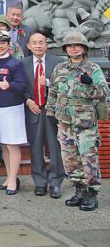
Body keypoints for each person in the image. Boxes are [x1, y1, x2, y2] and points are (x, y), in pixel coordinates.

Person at [46, 30, 109, 211]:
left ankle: (92, 192)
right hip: (65, 120)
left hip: (85, 121)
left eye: (77, 45)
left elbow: (104, 93)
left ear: (84, 48)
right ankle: (79, 189)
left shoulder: (92, 69)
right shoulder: (60, 68)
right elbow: (54, 92)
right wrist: (51, 112)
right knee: (69, 157)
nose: (73, 49)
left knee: (88, 156)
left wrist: (90, 84)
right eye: (70, 46)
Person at [23, 33, 64, 199]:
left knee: (55, 147)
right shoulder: (23, 64)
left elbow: (63, 84)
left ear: (47, 45)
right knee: (35, 148)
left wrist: (48, 83)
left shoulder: (58, 62)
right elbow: (21, 86)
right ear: (29, 46)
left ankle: (55, 182)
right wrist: (28, 101)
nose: (38, 46)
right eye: (34, 43)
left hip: (52, 111)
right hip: (33, 109)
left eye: (41, 43)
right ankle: (39, 182)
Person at [0, 30, 28, 195]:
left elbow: (22, 85)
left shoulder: (14, 63)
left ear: (8, 44)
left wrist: (9, 85)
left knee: (12, 145)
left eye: (2, 42)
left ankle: (13, 179)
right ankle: (8, 177)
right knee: (3, 144)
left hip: (12, 109)